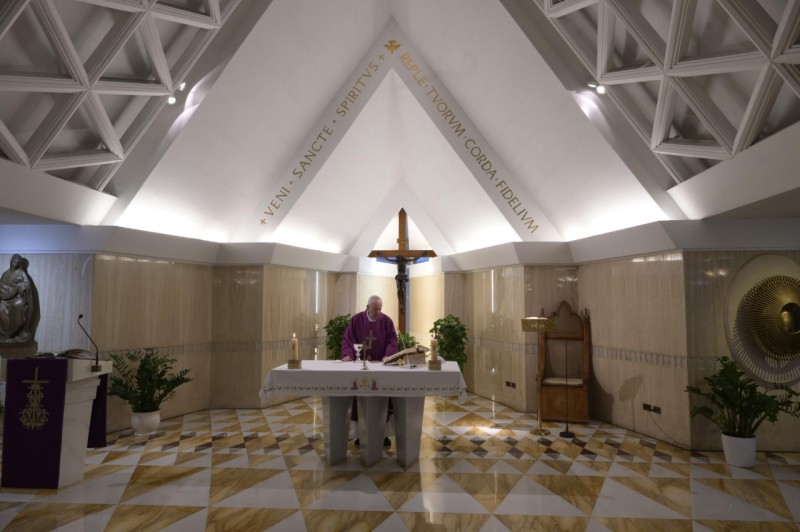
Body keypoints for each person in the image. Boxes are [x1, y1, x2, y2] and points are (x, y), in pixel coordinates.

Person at [341, 295, 398, 446]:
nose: (378, 312)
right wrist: (347, 354)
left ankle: (383, 435)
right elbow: (348, 339)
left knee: (382, 401)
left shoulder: (387, 321)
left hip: (381, 369)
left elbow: (393, 341)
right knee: (360, 402)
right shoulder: (356, 320)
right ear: (367, 307)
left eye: (380, 309)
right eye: (375, 309)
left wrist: (388, 355)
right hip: (361, 369)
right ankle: (360, 435)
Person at [0, 254, 36, 343]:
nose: (15, 263)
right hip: (5, 301)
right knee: (1, 309)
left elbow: (26, 288)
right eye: (13, 261)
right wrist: (13, 288)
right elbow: (2, 288)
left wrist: (21, 286)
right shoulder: (5, 274)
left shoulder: (22, 274)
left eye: (17, 262)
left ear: (19, 264)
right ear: (10, 261)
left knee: (20, 305)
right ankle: (5, 335)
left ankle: (15, 333)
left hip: (16, 300)